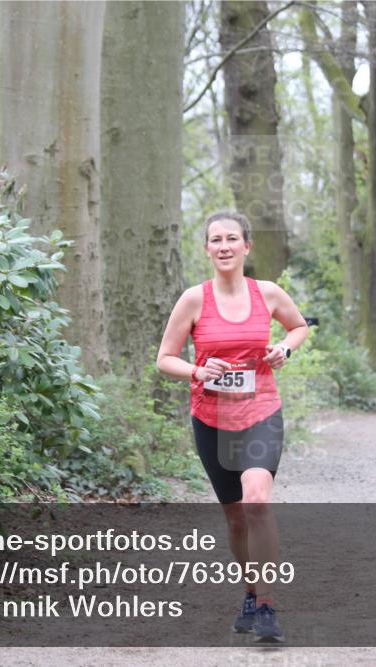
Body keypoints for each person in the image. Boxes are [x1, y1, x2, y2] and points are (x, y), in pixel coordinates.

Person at [156, 211, 308, 642]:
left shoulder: (269, 293)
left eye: (231, 238)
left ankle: (266, 606)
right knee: (237, 517)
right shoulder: (193, 300)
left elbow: (298, 328)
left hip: (261, 411)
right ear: (206, 249)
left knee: (257, 501)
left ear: (247, 246)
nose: (223, 246)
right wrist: (197, 372)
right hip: (212, 419)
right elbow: (165, 358)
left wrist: (284, 348)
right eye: (215, 240)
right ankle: (249, 590)